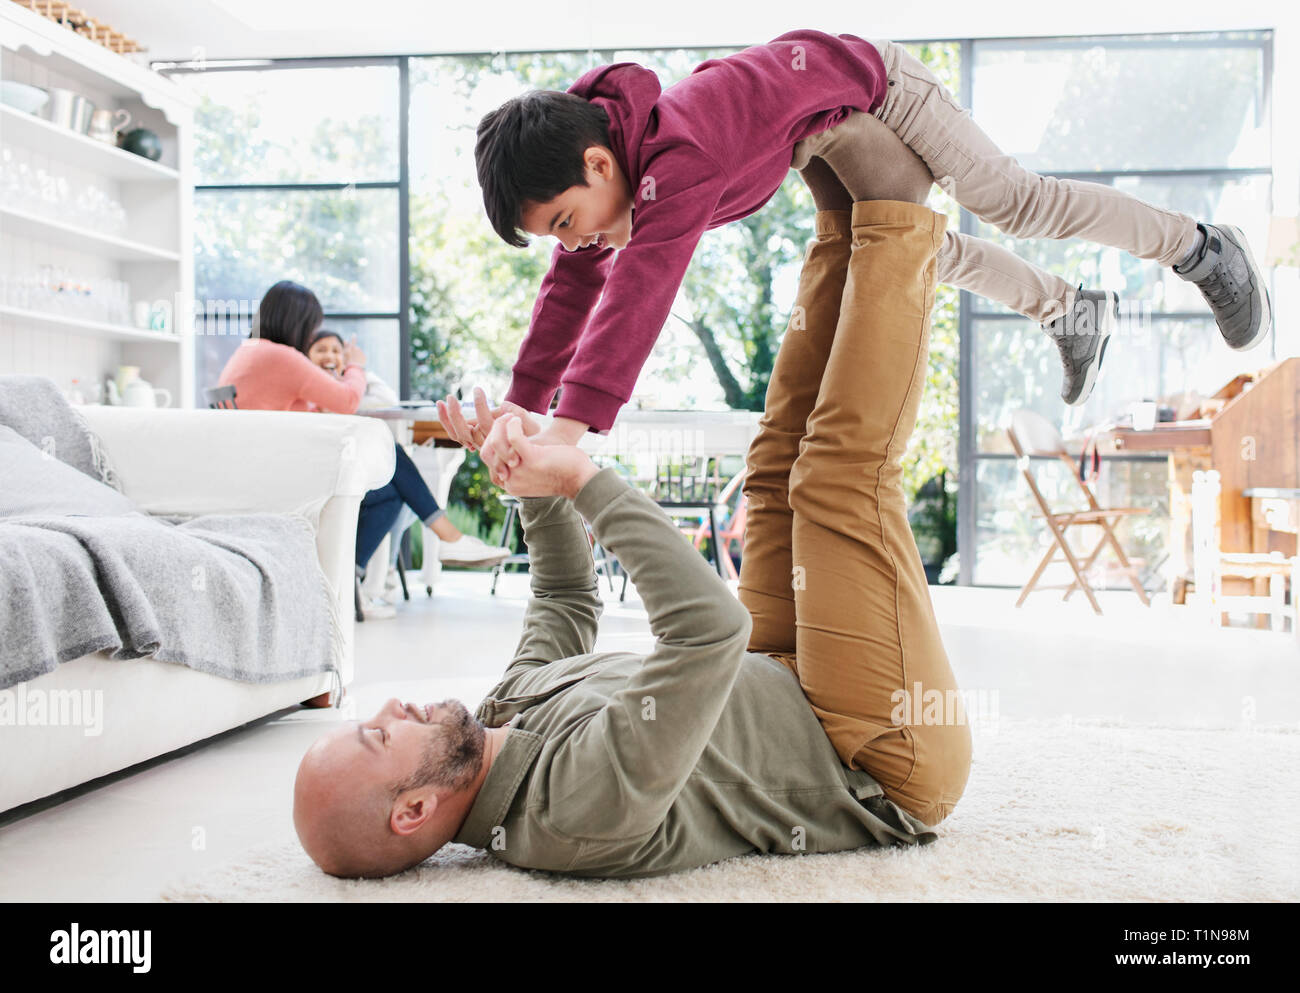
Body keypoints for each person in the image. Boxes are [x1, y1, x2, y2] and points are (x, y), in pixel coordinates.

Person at [293, 196, 972, 880]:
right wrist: (583, 477)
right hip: (871, 753)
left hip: (783, 673)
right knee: (836, 480)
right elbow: (710, 630)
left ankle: (841, 215)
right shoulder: (573, 814)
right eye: (380, 734)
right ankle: (893, 208)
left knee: (772, 470)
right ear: (412, 809)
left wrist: (521, 475)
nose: (391, 706)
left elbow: (563, 598)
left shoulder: (499, 717)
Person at [474, 29, 1271, 421]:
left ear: (598, 165)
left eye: (566, 221)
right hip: (814, 138)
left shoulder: (678, 152)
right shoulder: (614, 178)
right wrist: (518, 406)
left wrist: (572, 425)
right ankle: (1069, 309)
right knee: (900, 250)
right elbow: (572, 290)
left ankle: (1200, 248)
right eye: (558, 236)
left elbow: (636, 297)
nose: (573, 244)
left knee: (1013, 201)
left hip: (882, 90)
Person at [217, 283, 508, 622]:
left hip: (263, 471)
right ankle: (443, 540)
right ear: (296, 322)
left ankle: (347, 580)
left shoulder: (249, 352)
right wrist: (355, 365)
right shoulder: (280, 356)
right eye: (311, 326)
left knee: (390, 488)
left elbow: (291, 413)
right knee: (390, 454)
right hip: (283, 481)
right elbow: (347, 401)